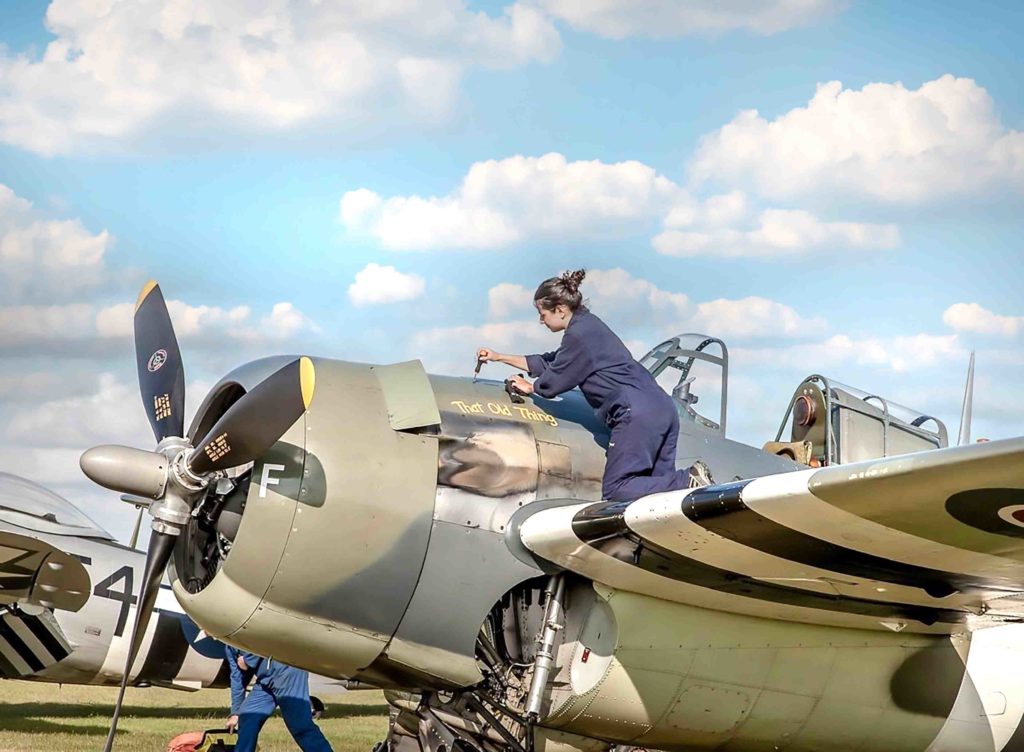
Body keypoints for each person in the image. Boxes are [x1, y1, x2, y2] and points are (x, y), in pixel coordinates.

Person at [477, 269, 711, 502]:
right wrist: (498, 357)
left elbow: (554, 380)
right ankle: (688, 484)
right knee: (661, 499)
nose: (541, 321)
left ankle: (686, 480)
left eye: (542, 314)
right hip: (662, 410)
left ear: (559, 309)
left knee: (617, 489)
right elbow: (551, 361)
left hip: (636, 414)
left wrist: (533, 388)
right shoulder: (587, 325)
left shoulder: (579, 335)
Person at [224, 644, 333, 752]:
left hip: (288, 671)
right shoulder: (229, 646)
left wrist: (248, 660)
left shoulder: (246, 628)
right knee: (248, 716)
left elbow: (267, 638)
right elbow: (236, 677)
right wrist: (235, 713)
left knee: (300, 726)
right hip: (265, 681)